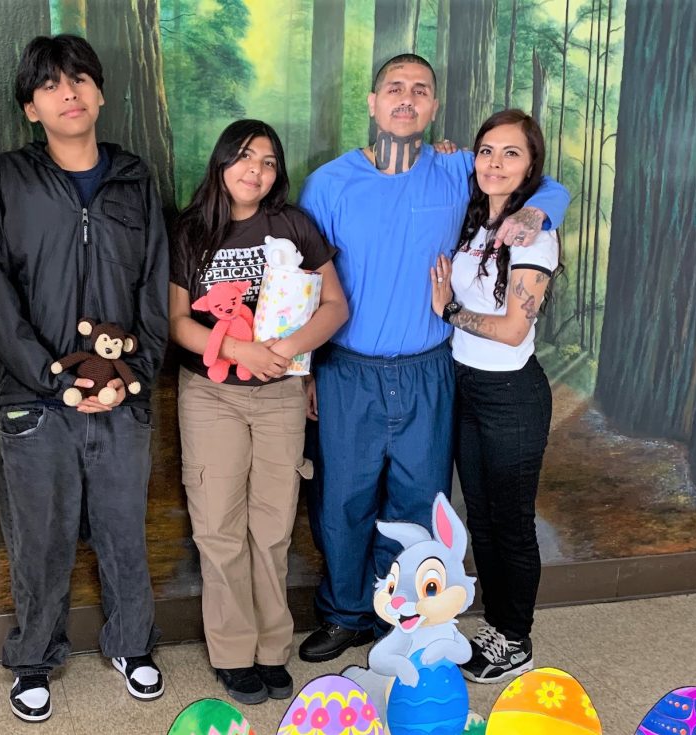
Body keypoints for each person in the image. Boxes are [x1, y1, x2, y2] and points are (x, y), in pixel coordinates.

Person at [297, 53, 570, 663]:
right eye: (393, 88)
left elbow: (543, 183)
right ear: (371, 103)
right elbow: (305, 285)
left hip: (429, 369)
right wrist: (308, 371)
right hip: (347, 369)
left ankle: (404, 616)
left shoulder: (454, 172)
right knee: (343, 498)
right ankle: (345, 614)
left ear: (434, 107)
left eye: (420, 90)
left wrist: (540, 209)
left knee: (418, 501)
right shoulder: (330, 183)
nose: (406, 98)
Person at [0, 35, 169, 722]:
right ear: (31, 106)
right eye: (51, 84)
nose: (69, 91)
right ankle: (34, 656)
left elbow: (154, 285)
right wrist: (50, 378)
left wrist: (132, 375)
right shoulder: (6, 178)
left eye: (81, 78)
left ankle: (133, 643)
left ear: (102, 92)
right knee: (40, 536)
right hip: (36, 401)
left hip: (121, 398)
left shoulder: (135, 178)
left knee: (122, 528)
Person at [169, 120, 348, 704]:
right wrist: (238, 348)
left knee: (271, 528)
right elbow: (178, 323)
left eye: (269, 162)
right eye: (245, 157)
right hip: (212, 395)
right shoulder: (192, 230)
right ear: (221, 162)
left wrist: (288, 350)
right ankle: (231, 651)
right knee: (219, 528)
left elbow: (335, 305)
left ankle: (273, 648)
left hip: (280, 394)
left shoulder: (293, 225)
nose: (257, 170)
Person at [429, 109, 558, 683]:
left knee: (510, 523)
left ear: (531, 166)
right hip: (467, 387)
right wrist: (449, 150)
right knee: (480, 516)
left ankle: (516, 639)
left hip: (512, 395)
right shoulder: (477, 221)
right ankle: (498, 628)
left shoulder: (536, 232)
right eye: (486, 151)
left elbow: (512, 329)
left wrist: (450, 311)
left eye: (511, 153)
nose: (494, 163)